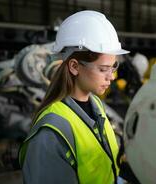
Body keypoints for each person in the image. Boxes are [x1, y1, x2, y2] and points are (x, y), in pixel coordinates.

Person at [18, 10, 130, 184]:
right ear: (74, 66)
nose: (112, 77)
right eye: (103, 69)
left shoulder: (96, 105)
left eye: (113, 67)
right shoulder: (50, 134)